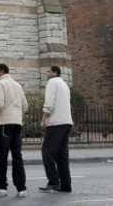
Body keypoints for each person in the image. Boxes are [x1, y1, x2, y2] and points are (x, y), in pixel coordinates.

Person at [0, 63, 28, 198]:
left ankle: (1, 187)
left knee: (1, 157)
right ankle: (21, 188)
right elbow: (25, 106)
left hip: (4, 124)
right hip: (17, 123)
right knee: (17, 156)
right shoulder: (17, 85)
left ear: (2, 72)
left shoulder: (0, 84)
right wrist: (18, 116)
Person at [39, 65, 73, 193]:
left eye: (48, 71)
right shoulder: (64, 85)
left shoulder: (52, 83)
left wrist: (44, 119)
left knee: (47, 151)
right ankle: (65, 185)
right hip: (66, 122)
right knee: (62, 155)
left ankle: (53, 181)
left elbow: (49, 105)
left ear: (55, 73)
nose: (46, 73)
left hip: (56, 122)